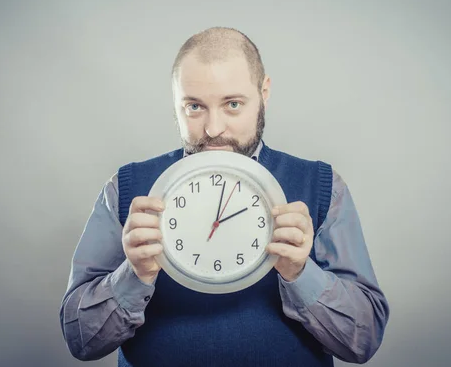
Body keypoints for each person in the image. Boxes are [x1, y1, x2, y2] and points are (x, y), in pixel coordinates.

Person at [59, 27, 390, 366]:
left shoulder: (322, 187)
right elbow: (81, 341)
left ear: (264, 93)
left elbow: (362, 342)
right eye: (194, 107)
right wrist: (134, 274)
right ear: (175, 102)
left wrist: (300, 273)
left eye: (233, 104)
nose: (213, 129)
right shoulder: (126, 189)